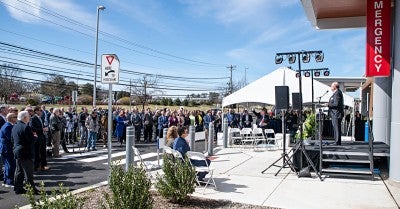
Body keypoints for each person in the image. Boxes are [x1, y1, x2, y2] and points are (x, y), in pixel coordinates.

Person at [12, 111, 39, 194]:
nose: (29, 118)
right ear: (24, 118)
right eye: (28, 116)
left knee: (19, 171)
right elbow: (30, 140)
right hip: (25, 152)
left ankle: (18, 188)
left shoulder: (15, 126)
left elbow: (12, 139)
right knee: (28, 172)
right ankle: (32, 190)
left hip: (17, 151)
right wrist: (35, 137)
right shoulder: (26, 127)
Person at [0, 113, 17, 187]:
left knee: (9, 165)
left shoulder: (10, 126)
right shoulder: (7, 126)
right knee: (10, 165)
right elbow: (11, 138)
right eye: (15, 117)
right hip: (7, 149)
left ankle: (6, 180)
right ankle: (9, 182)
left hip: (8, 149)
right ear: (10, 118)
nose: (16, 118)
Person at [30, 106, 49, 171]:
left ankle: (43, 165)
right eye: (40, 110)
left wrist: (45, 128)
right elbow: (32, 128)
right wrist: (42, 129)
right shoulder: (33, 118)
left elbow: (42, 125)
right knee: (37, 152)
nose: (41, 112)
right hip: (37, 137)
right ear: (36, 111)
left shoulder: (41, 118)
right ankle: (37, 166)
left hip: (42, 136)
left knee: (43, 151)